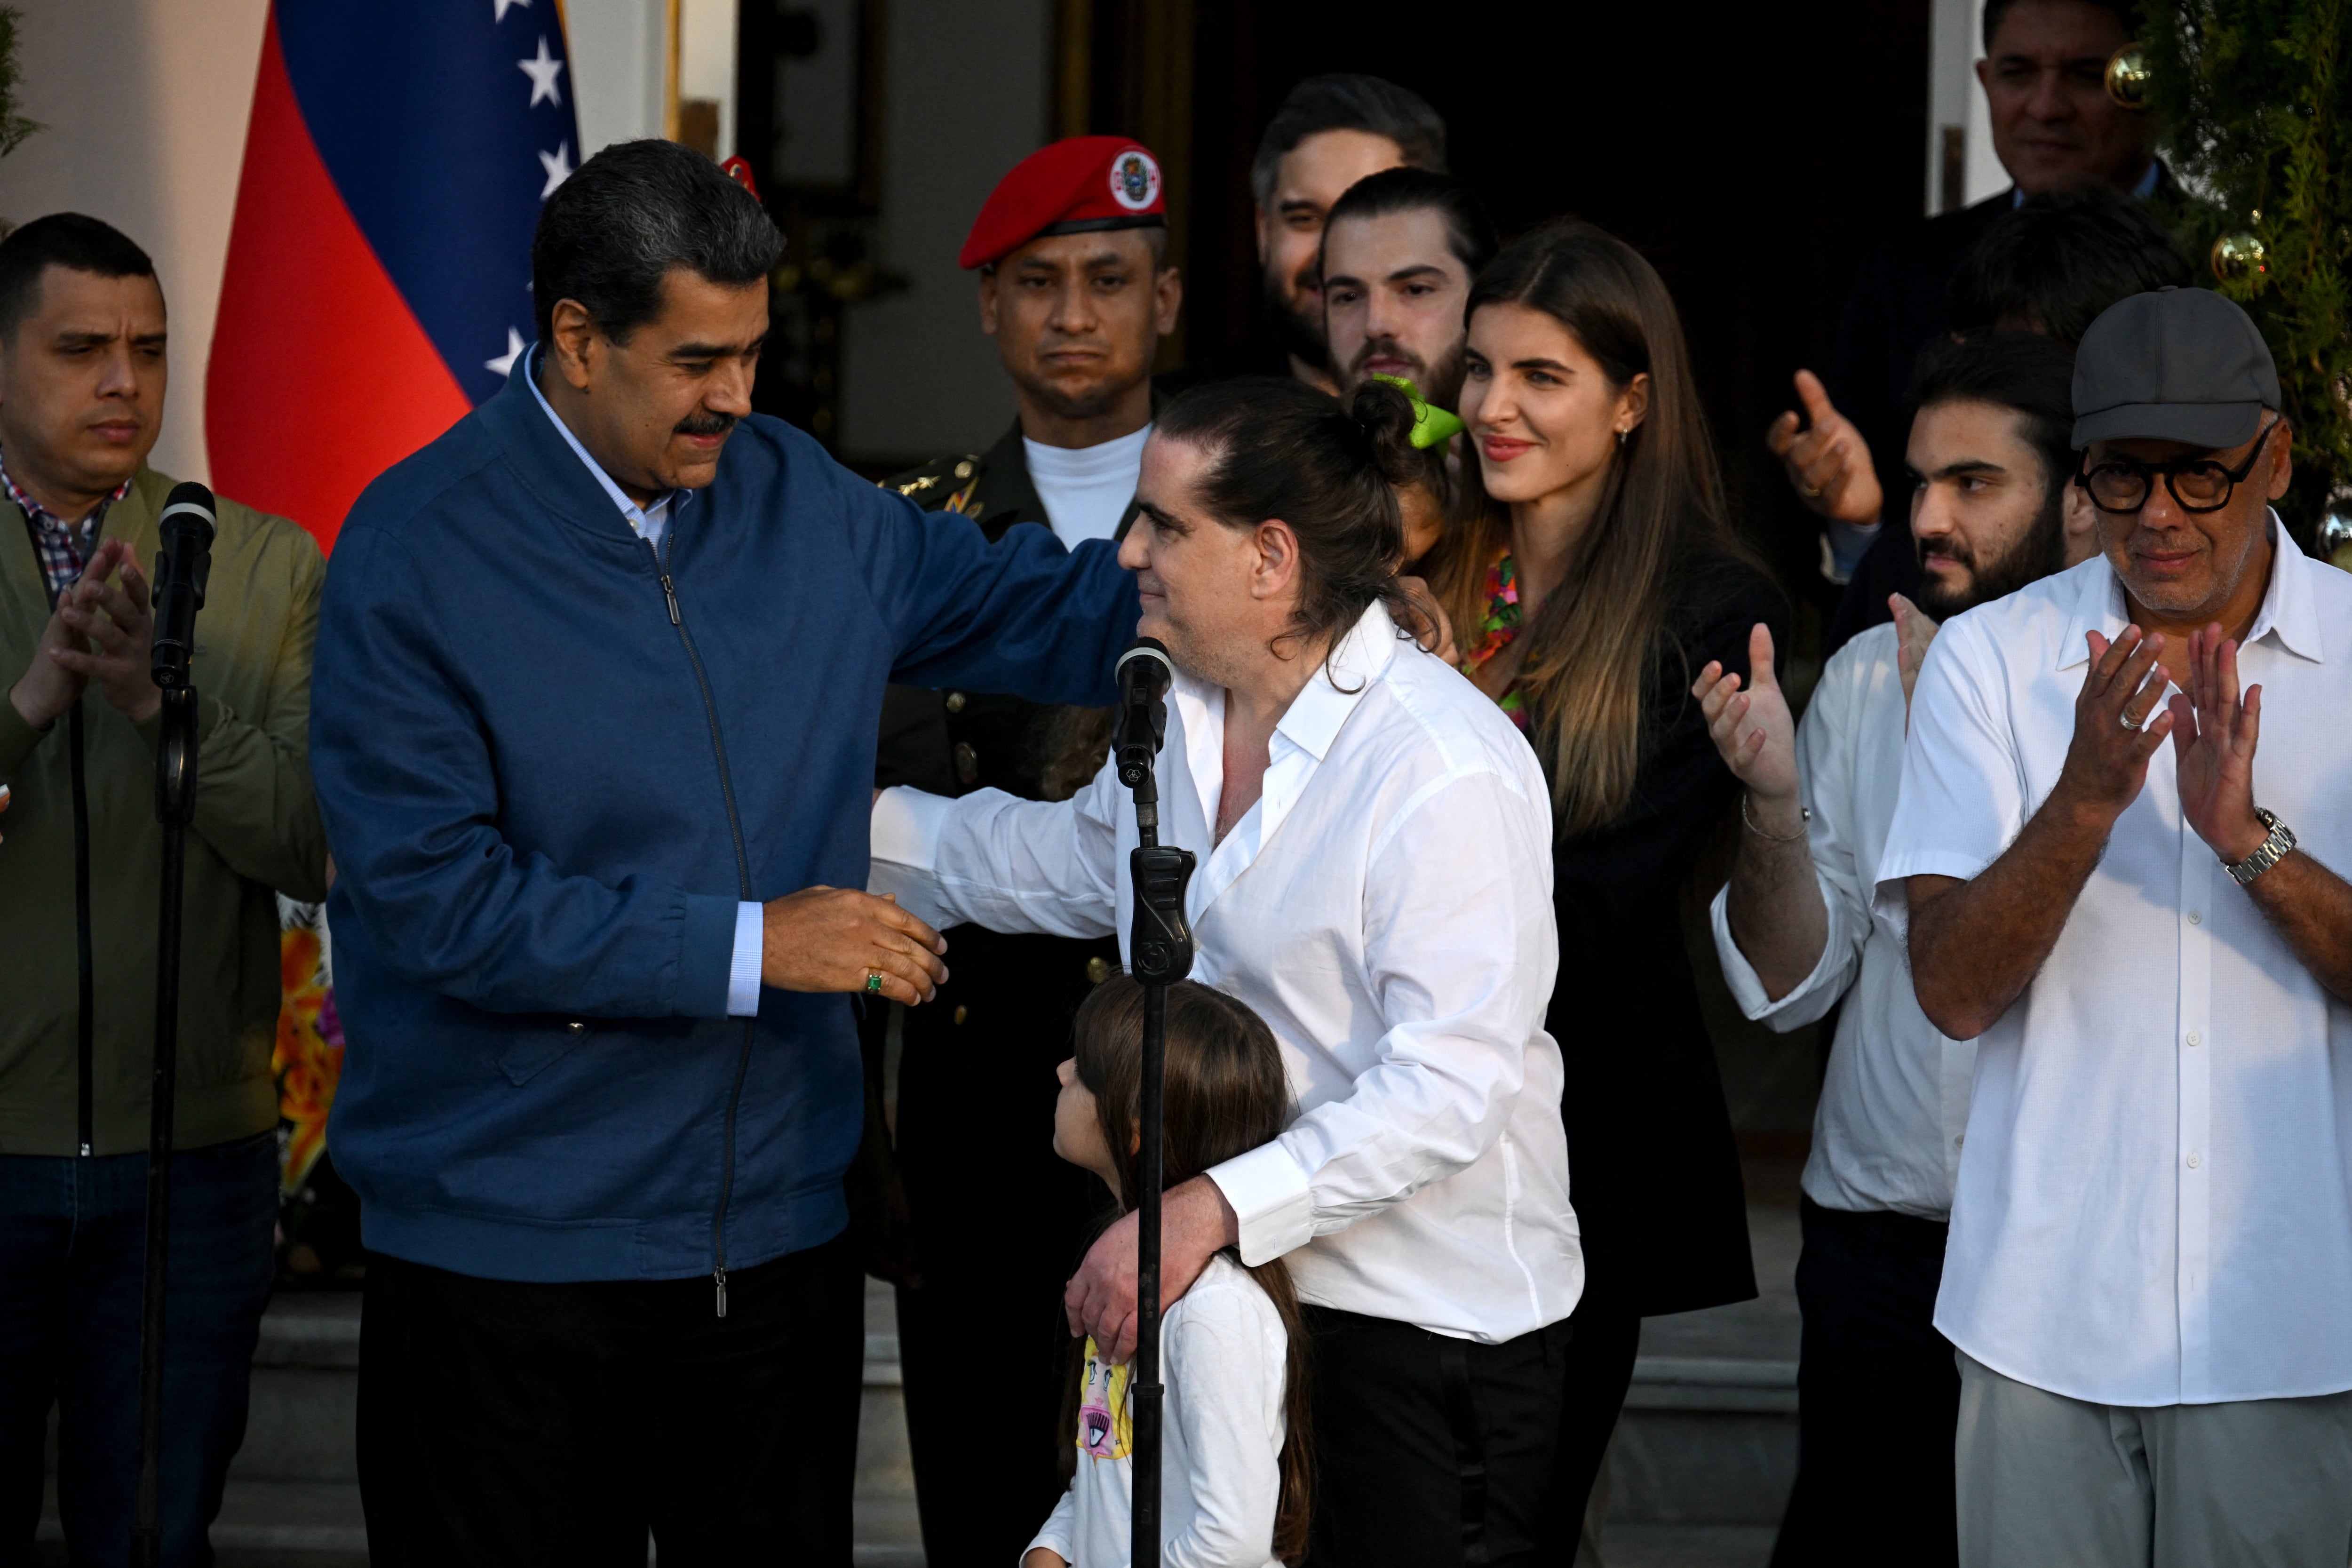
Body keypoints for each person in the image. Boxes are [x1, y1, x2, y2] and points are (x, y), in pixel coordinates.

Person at [308, 139, 1139, 1565]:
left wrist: (1297, 590)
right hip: (505, 1261)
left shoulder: (800, 495)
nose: (739, 400)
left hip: (770, 1254)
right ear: (575, 340)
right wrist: (757, 945)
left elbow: (1046, 612)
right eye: (700, 360)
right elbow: (435, 903)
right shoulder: (414, 547)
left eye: (754, 353)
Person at [872, 377, 1579, 1567]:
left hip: (1423, 1335)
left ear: (1270, 558)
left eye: (1162, 524)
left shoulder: (1444, 767)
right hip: (1244, 1306)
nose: (1127, 551)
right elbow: (1055, 862)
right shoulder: (1186, 710)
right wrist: (825, 829)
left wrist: (1205, 1210)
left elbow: (1451, 1086)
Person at [1882, 286, 2352, 1564]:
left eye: (2198, 475)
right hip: (2043, 1315)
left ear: (2277, 457)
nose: (2156, 514)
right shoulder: (1990, 663)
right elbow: (1953, 988)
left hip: (2294, 1316)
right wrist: (2088, 798)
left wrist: (2245, 840)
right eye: (2123, 473)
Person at [1693, 333, 2095, 1568]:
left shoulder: (2136, 684)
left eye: (1975, 483)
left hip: (2069, 1247)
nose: (1928, 514)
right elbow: (1794, 984)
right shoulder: (1868, 675)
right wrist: (1766, 805)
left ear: (2076, 500)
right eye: (1920, 481)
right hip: (1878, 1244)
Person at [1427, 217, 1788, 1557]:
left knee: (1516, 1515)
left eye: (1541, 376)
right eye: (1480, 370)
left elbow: (1613, 879)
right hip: (1394, 1111)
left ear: (1633, 402)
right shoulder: (1433, 568)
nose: (1494, 407)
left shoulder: (1715, 603)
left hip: (1583, 1132)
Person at [866, 135, 1183, 1568]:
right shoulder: (906, 529)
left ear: (1165, 302)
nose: (1072, 313)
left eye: (1107, 279)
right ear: (986, 310)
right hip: (977, 1071)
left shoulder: (1235, 517)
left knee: (1189, 1472)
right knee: (985, 1471)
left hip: (1185, 1057)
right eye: (1036, 282)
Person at [0, 214, 329, 1564]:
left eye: (147, 349)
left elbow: (320, 839)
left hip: (188, 1163)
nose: (124, 382)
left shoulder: (260, 563)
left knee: (152, 1534)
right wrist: (29, 705)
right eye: (80, 349)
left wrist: (159, 706)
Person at [1772, 0, 2154, 598]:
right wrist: (1858, 527)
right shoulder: (1904, 273)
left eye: (2085, 75)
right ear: (1983, 81)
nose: (2046, 107)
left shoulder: (2239, 268)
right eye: (2017, 72)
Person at [1821, 181, 2192, 654]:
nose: (2060, 401)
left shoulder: (2198, 565)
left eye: (2077, 373)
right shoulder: (1912, 565)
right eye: (2022, 368)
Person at [1021, 977, 1310, 1568]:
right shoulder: (1120, 1282)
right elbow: (1106, 1470)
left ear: (1132, 1129)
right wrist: (1049, 1551)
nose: (1060, 1071)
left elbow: (1232, 1540)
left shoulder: (1212, 1312)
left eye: (1084, 1069)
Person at [1318, 167, 1494, 565]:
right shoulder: (1276, 488)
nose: (1376, 323)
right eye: (1348, 296)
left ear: (1486, 298)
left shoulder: (1553, 492)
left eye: (1416, 290)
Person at [1246, 74, 1447, 392]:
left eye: (1366, 218)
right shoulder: (1183, 428)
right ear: (1264, 231)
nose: (1332, 254)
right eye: (1305, 219)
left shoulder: (1494, 422)